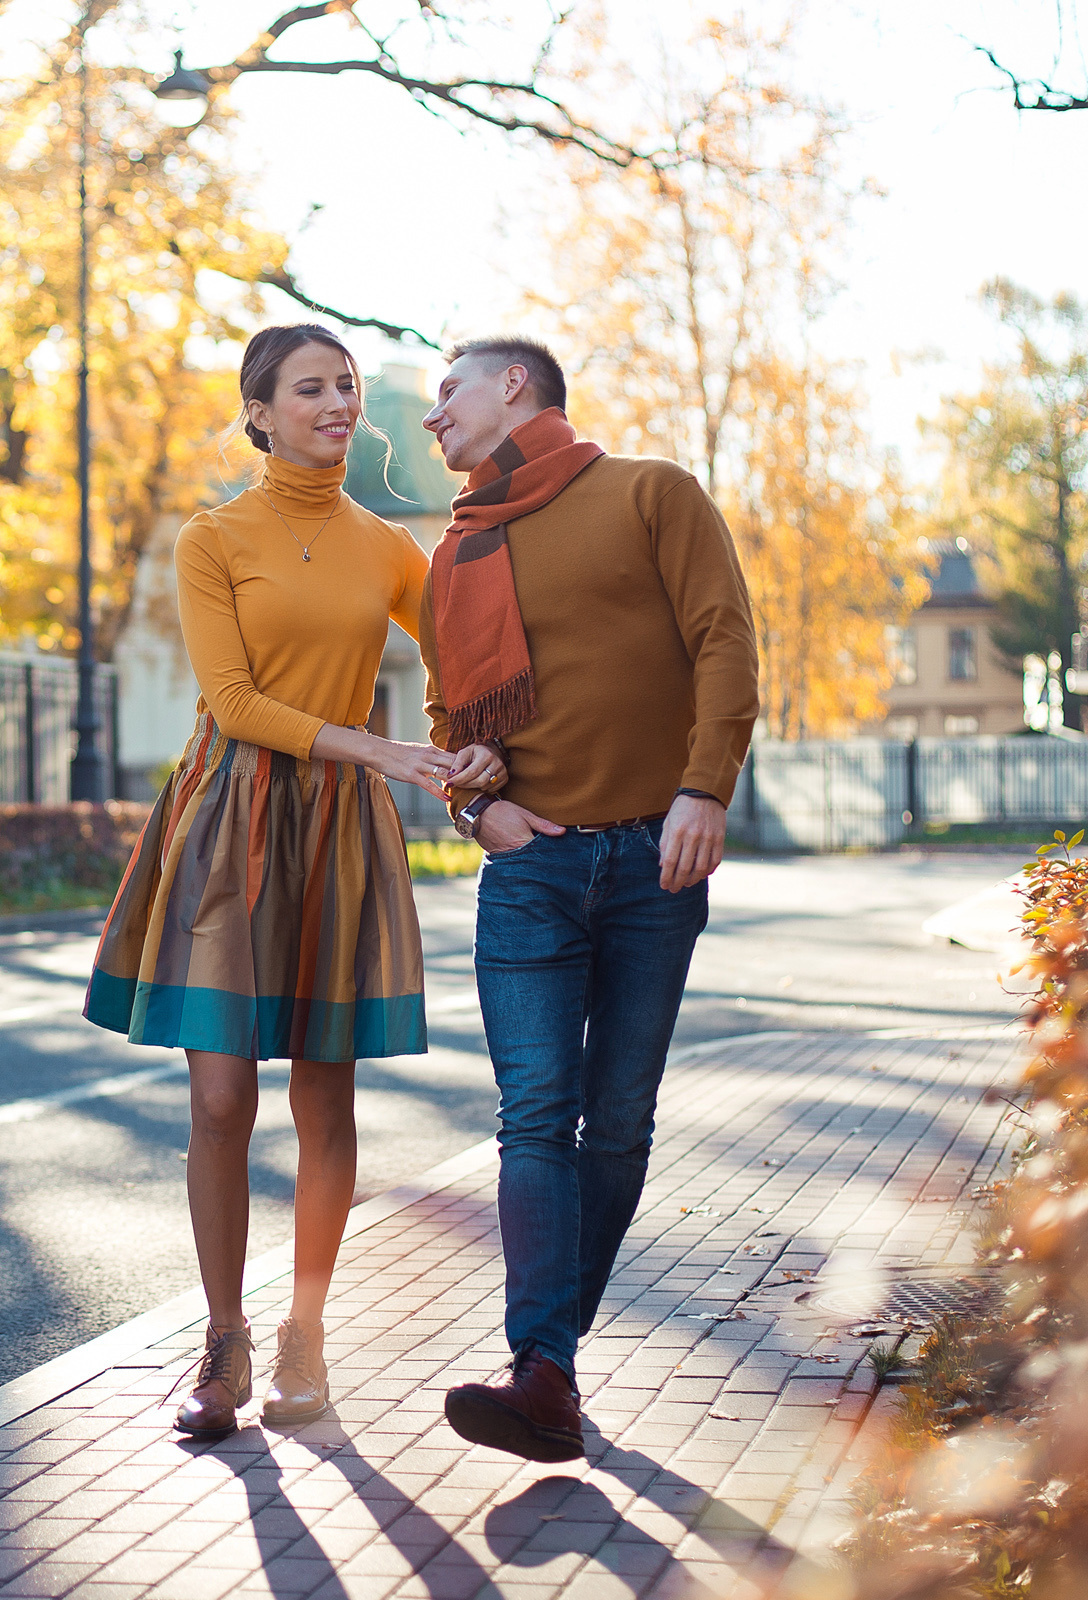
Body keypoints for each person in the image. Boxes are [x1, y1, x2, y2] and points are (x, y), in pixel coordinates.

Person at [84, 323, 503, 1441]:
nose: (337, 403)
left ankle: (303, 1332)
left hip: (339, 837)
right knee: (222, 1098)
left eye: (347, 388)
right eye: (311, 388)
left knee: (328, 1097)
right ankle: (222, 1339)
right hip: (231, 817)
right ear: (259, 411)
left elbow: (469, 667)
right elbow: (233, 701)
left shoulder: (390, 547)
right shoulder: (212, 537)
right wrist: (382, 749)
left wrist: (472, 749)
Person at [417, 336, 758, 1462]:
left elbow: (724, 641)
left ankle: (547, 1371)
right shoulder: (457, 553)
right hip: (531, 872)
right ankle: (542, 1370)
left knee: (615, 1121)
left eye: (446, 391)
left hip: (656, 862)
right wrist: (478, 811)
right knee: (533, 1114)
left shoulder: (651, 492)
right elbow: (450, 723)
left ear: (513, 384)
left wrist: (705, 788)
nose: (433, 418)